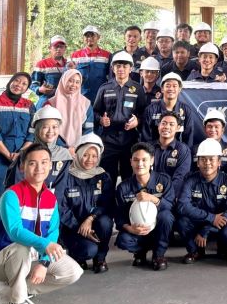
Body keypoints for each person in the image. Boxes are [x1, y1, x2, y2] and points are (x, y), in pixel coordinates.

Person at [0, 143, 83, 304]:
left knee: (73, 271)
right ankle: (17, 301)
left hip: (33, 256)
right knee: (22, 247)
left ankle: (22, 288)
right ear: (22, 166)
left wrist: (44, 263)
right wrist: (45, 245)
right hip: (2, 260)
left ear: (50, 166)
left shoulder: (50, 198)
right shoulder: (11, 195)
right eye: (32, 163)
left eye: (44, 162)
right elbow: (15, 231)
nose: (39, 168)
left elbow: (53, 232)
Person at [54, 133, 114, 274]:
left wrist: (90, 218)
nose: (90, 160)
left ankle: (100, 258)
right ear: (78, 154)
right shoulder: (66, 176)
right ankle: (77, 256)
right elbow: (62, 208)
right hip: (72, 228)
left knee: (105, 222)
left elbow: (107, 203)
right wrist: (79, 227)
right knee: (88, 250)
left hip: (94, 224)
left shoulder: (103, 176)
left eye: (94, 156)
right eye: (85, 155)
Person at [177, 138, 227, 263]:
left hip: (219, 224)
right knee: (182, 222)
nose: (207, 163)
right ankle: (195, 251)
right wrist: (211, 217)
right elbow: (182, 206)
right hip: (199, 220)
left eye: (211, 159)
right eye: (203, 159)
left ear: (219, 162)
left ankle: (223, 249)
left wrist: (206, 230)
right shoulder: (190, 180)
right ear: (198, 162)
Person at [115, 142, 175, 271]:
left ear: (152, 160)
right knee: (123, 240)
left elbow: (171, 206)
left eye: (144, 160)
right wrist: (130, 229)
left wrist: (154, 199)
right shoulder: (123, 187)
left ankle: (158, 255)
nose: (140, 164)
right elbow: (119, 217)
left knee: (166, 216)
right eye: (136, 160)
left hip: (158, 230)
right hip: (136, 230)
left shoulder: (164, 180)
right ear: (131, 162)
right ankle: (140, 252)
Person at [0, 72, 36, 207]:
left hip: (21, 158)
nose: (19, 85)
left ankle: (16, 222)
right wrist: (8, 155)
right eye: (17, 81)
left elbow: (32, 132)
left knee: (20, 199)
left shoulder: (29, 106)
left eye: (24, 84)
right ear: (10, 82)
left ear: (26, 88)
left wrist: (21, 153)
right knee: (0, 199)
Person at [93, 51, 147, 183]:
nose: (121, 69)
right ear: (113, 68)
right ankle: (107, 197)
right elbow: (94, 112)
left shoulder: (138, 89)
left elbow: (144, 114)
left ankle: (126, 197)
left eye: (124, 66)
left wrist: (137, 122)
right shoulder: (104, 88)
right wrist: (101, 120)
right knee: (107, 178)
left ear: (130, 68)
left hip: (130, 139)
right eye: (118, 66)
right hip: (108, 140)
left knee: (128, 177)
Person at [5, 106, 72, 194]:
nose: (50, 131)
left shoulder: (64, 155)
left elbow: (62, 187)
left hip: (53, 201)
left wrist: (52, 202)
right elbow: (15, 186)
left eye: (54, 127)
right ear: (36, 129)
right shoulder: (25, 154)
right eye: (45, 127)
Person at [141, 72, 203, 149]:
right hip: (154, 151)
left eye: (174, 86)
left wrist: (184, 153)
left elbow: (188, 137)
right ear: (162, 89)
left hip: (178, 151)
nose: (171, 89)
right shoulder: (151, 109)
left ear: (179, 89)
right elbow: (146, 137)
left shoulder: (186, 110)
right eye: (168, 86)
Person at [46, 69, 94, 152]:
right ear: (63, 81)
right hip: (54, 148)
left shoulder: (86, 103)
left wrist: (79, 147)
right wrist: (66, 148)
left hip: (78, 150)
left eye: (77, 82)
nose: (74, 85)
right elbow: (48, 129)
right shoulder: (50, 103)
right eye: (70, 81)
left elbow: (88, 128)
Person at [201, 108, 227, 189]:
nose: (213, 130)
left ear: (223, 129)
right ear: (205, 129)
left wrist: (219, 189)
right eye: (209, 126)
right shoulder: (195, 150)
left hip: (225, 191)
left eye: (216, 126)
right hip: (201, 191)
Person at [152, 111, 192, 195]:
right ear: (158, 126)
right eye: (163, 123)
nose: (166, 127)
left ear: (178, 128)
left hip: (171, 196)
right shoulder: (148, 148)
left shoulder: (183, 150)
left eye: (171, 124)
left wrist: (165, 197)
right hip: (149, 194)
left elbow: (179, 179)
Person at [70, 26, 111, 104]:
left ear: (98, 37)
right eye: (87, 36)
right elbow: (69, 76)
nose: (89, 38)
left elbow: (111, 77)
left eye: (92, 35)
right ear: (83, 38)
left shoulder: (107, 55)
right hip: (81, 98)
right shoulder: (75, 56)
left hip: (101, 97)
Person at [30, 36, 68, 109]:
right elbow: (33, 83)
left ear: (65, 48)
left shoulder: (69, 64)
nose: (58, 49)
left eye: (61, 47)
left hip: (65, 102)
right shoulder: (42, 64)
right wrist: (39, 89)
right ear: (50, 48)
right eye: (56, 46)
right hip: (46, 101)